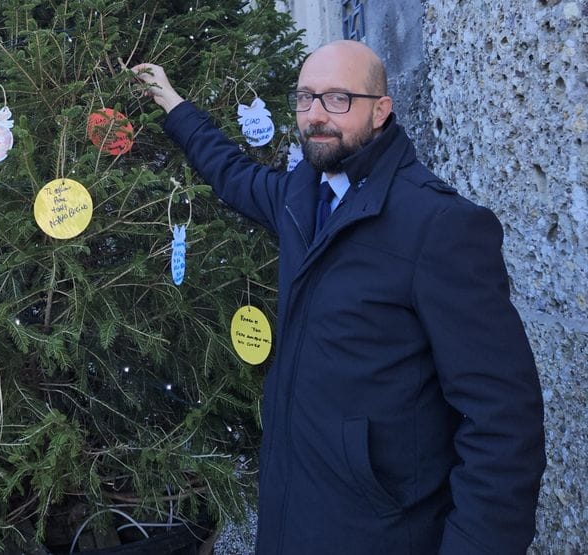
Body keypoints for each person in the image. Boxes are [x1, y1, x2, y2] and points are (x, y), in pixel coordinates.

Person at [133, 40, 545, 554]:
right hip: (295, 512)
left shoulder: (440, 227)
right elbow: (233, 175)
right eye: (306, 98)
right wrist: (173, 105)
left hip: (379, 532)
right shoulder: (301, 195)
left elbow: (503, 422)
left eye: (338, 99)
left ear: (381, 110)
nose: (316, 116)